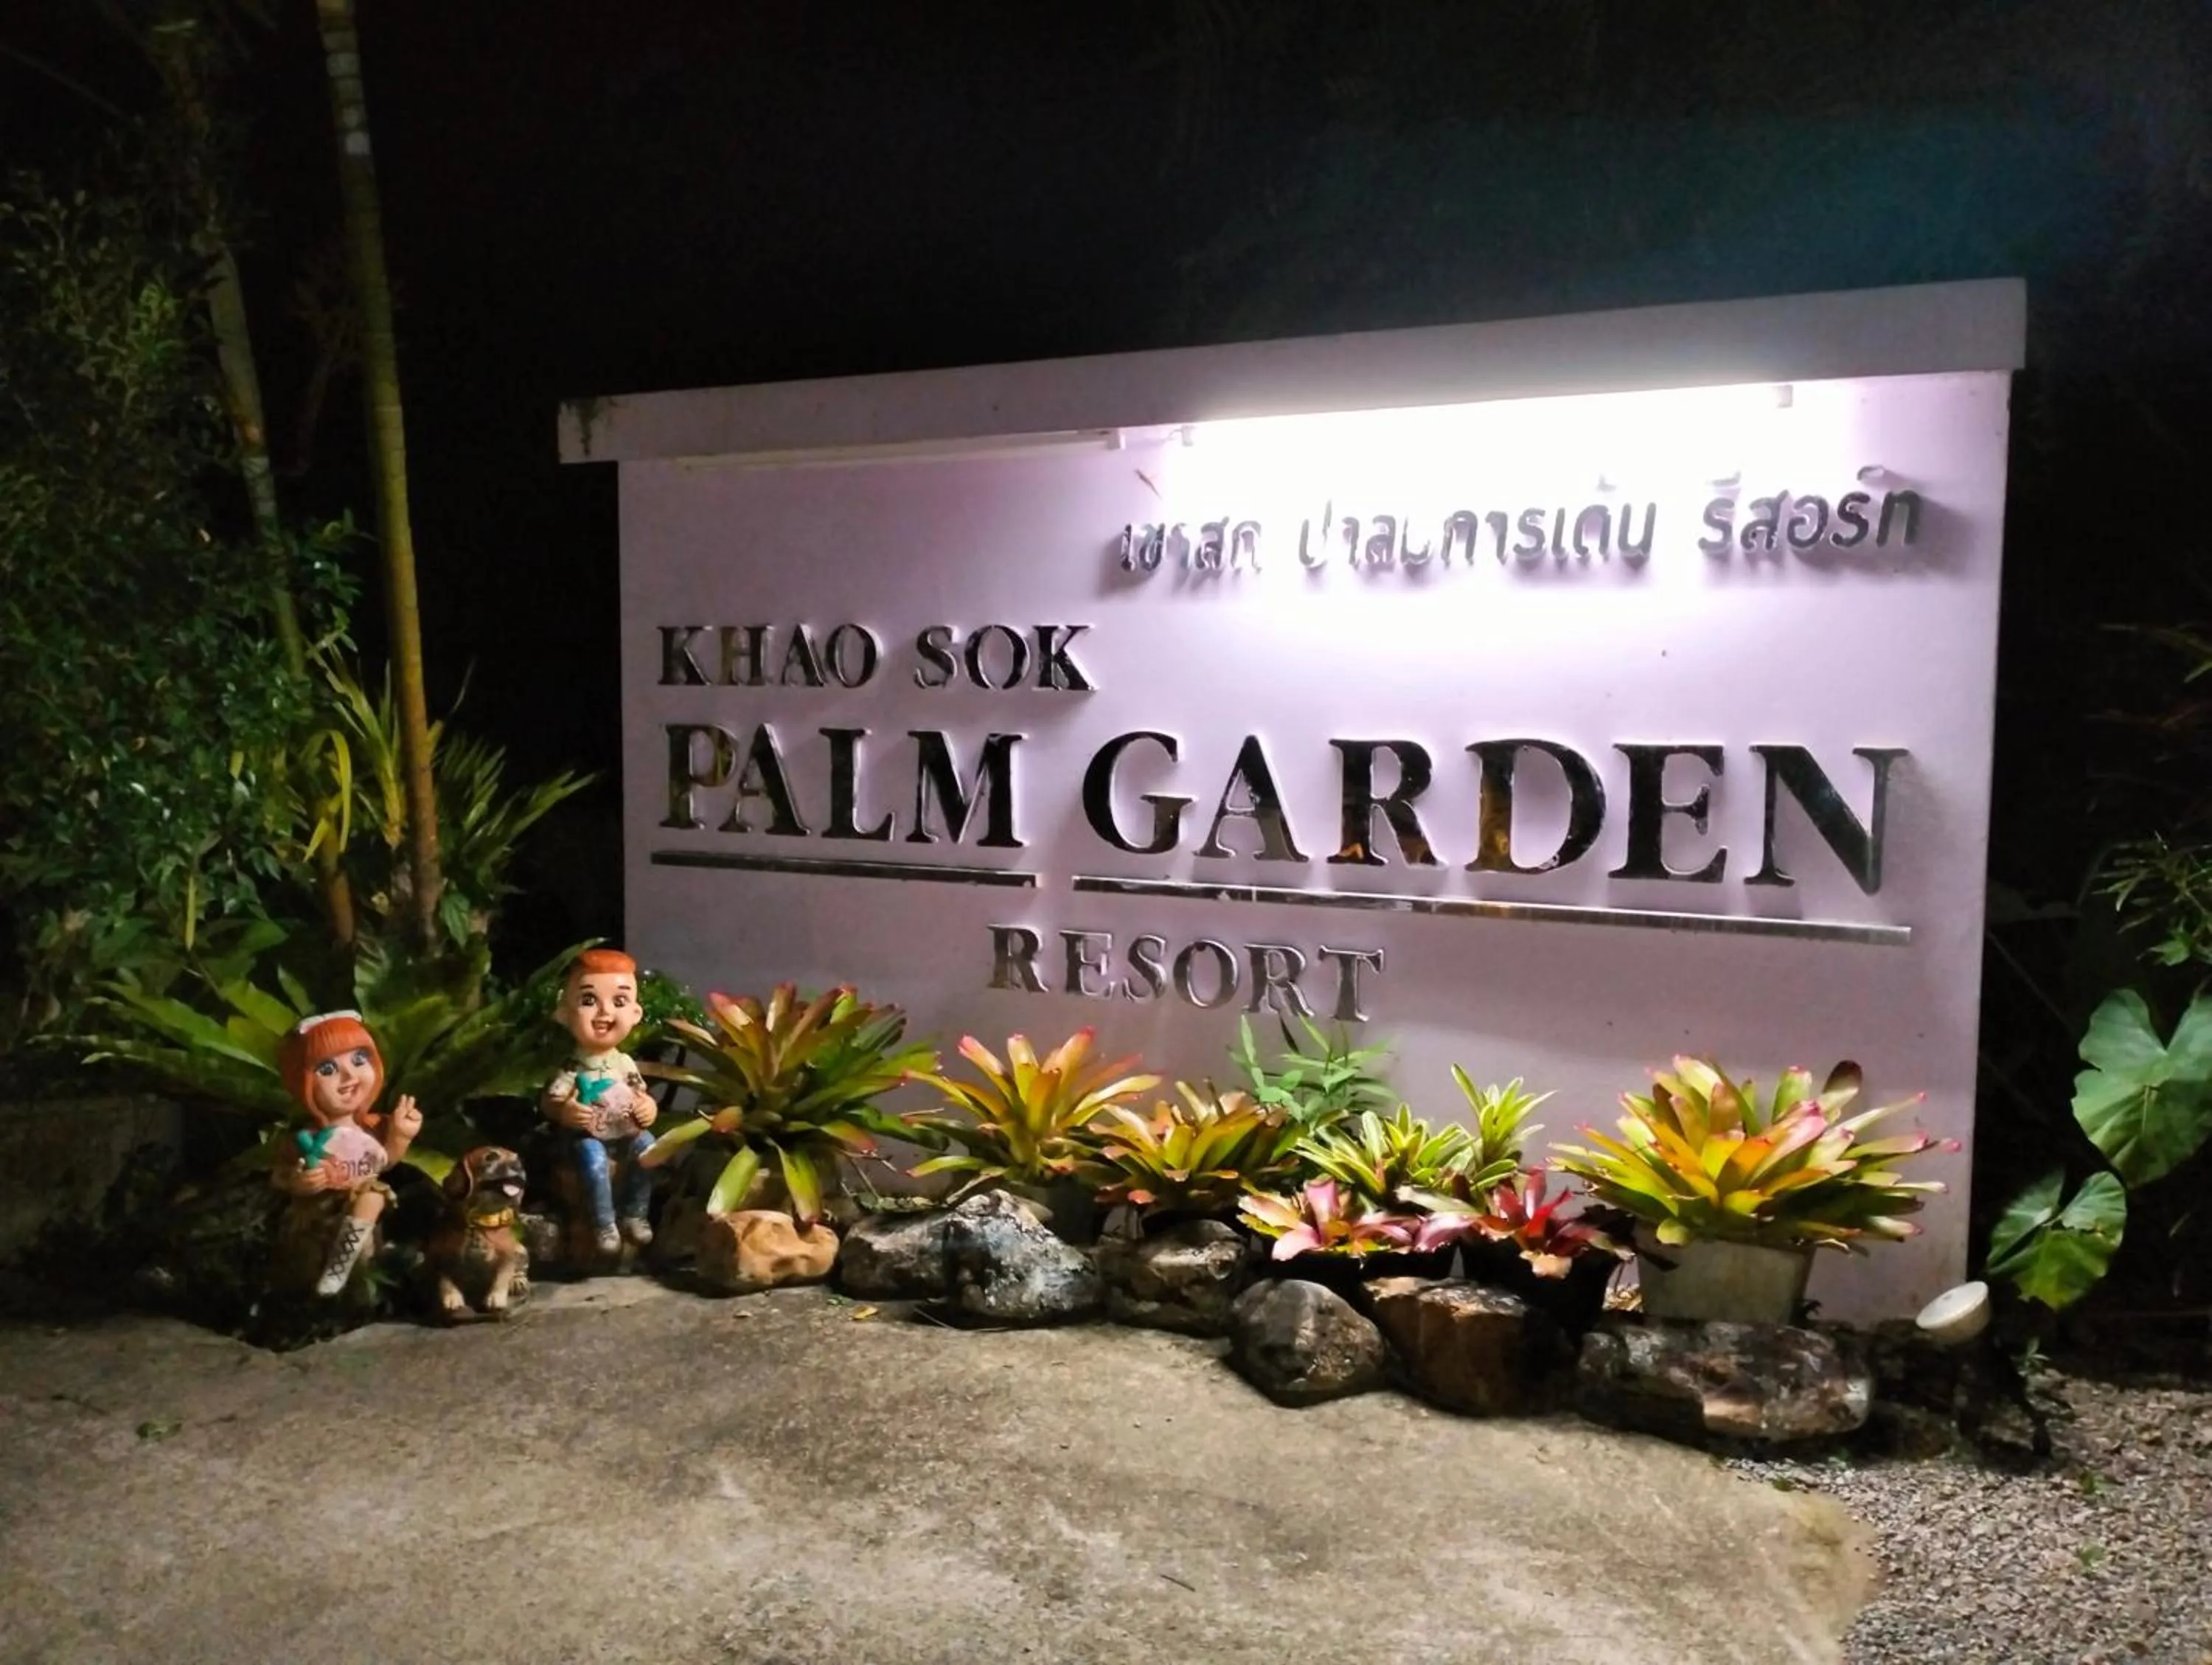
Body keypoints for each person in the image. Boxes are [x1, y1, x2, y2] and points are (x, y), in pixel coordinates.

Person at [273, 1011, 422, 1296]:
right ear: (302, 1084)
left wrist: (401, 1135)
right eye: (327, 1070)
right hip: (318, 1216)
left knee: (372, 1194)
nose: (349, 1076)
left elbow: (384, 1160)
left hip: (361, 1213)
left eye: (359, 1060)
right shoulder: (305, 1139)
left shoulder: (374, 1127)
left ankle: (341, 1267)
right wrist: (299, 1183)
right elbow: (278, 1177)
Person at [541, 949, 658, 1257]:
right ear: (565, 1013)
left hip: (626, 1135)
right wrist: (566, 1113)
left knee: (651, 1148)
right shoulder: (573, 1066)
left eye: (619, 1002)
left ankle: (635, 1213)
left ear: (635, 1014)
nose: (605, 1013)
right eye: (589, 1001)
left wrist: (648, 1109)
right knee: (594, 1160)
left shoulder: (624, 1064)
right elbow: (551, 1102)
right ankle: (604, 1223)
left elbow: (642, 1094)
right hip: (588, 1138)